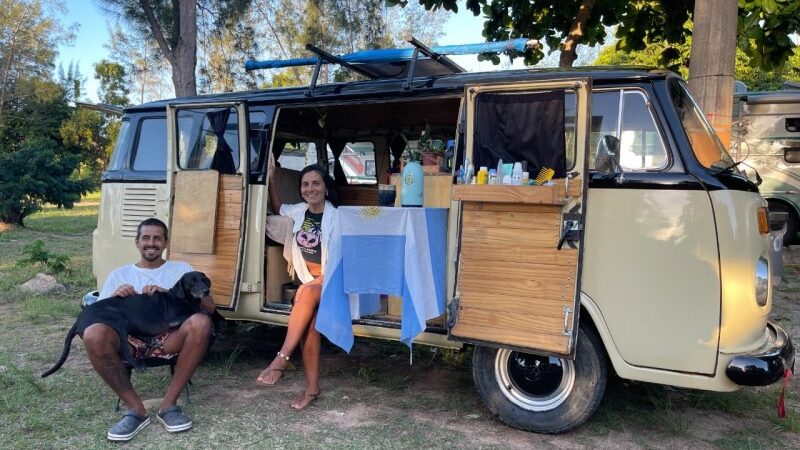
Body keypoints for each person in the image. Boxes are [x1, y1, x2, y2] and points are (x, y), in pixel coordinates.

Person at [85, 218, 215, 441]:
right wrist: (117, 295)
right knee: (93, 333)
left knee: (202, 322)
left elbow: (210, 307)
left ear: (166, 243)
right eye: (145, 238)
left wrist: (170, 295)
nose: (151, 243)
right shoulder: (120, 274)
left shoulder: (181, 270)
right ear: (137, 242)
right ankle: (135, 409)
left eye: (157, 238)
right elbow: (100, 313)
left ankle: (169, 405)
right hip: (128, 340)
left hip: (170, 338)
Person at [256, 162, 339, 411]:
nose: (310, 188)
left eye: (316, 183)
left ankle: (281, 358)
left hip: (333, 281)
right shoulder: (299, 211)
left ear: (326, 188)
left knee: (306, 292)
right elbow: (279, 207)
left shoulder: (337, 217)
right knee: (308, 326)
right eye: (305, 184)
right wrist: (271, 178)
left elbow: (341, 262)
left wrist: (319, 282)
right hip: (310, 285)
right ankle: (312, 389)